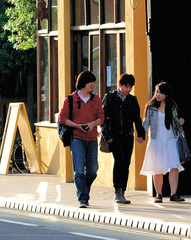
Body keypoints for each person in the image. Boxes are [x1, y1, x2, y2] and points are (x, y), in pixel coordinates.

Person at [58, 70, 104, 208]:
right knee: (78, 171)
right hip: (76, 138)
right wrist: (77, 126)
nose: (93, 84)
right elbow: (62, 118)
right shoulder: (70, 99)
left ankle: (84, 191)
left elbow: (101, 117)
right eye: (91, 82)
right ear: (83, 83)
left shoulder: (96, 99)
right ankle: (83, 198)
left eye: (93, 82)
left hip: (92, 139)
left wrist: (93, 124)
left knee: (92, 171)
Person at [101, 73, 145, 204]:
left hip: (128, 135)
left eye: (130, 87)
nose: (128, 89)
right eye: (126, 86)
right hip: (115, 136)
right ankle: (117, 191)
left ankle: (123, 192)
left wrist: (140, 134)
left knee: (126, 163)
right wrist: (107, 135)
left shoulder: (132, 100)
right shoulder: (110, 98)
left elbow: (137, 119)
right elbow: (104, 118)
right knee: (119, 161)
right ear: (120, 85)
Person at [140, 81, 186, 203]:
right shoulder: (151, 107)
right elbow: (146, 123)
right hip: (156, 140)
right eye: (156, 92)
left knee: (174, 166)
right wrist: (141, 135)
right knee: (157, 168)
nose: (158, 95)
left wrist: (180, 122)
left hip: (171, 139)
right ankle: (159, 194)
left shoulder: (172, 106)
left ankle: (173, 194)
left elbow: (175, 122)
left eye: (160, 92)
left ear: (166, 94)